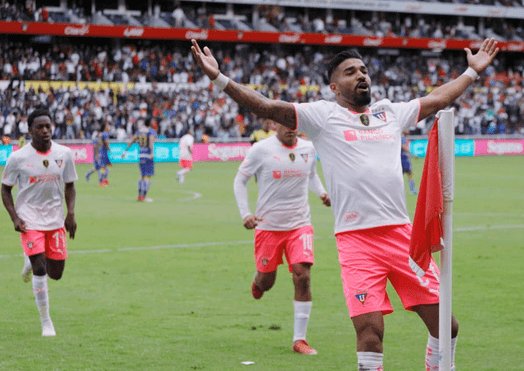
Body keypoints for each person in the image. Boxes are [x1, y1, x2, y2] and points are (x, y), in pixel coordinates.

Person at [192, 37, 499, 370]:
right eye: (351, 72)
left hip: (402, 237)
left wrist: (471, 72)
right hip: (357, 243)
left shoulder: (389, 113)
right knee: (370, 334)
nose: (361, 75)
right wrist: (219, 78)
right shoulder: (323, 116)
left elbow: (437, 98)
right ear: (335, 87)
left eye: (364, 70)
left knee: (447, 325)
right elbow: (266, 106)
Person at [233, 123, 331, 355]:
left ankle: (300, 340)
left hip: (300, 224)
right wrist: (245, 213)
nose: (291, 129)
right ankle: (258, 282)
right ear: (275, 124)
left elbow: (312, 176)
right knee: (267, 282)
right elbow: (240, 180)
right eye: (285, 124)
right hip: (268, 227)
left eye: (295, 125)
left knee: (303, 275)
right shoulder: (261, 149)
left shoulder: (308, 149)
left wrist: (322, 192)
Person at [0, 108, 78, 337]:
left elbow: (70, 185)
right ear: (30, 130)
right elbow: (5, 190)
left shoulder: (64, 153)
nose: (45, 131)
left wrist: (70, 213)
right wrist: (15, 218)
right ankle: (46, 322)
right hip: (29, 220)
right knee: (40, 268)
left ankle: (27, 262)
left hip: (55, 220)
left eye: (48, 126)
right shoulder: (18, 158)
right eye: (40, 127)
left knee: (56, 273)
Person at [121, 119, 156, 202]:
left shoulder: (139, 131)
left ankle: (139, 196)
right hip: (147, 155)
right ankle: (144, 196)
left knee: (142, 176)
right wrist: (152, 153)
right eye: (153, 121)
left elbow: (133, 140)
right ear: (150, 123)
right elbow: (151, 141)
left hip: (141, 155)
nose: (154, 122)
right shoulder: (151, 131)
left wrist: (126, 150)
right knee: (147, 176)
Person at [401, 129, 418, 195]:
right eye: (407, 129)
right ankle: (412, 189)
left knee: (402, 174)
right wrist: (412, 154)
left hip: (402, 158)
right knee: (409, 173)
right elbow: (404, 147)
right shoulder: (402, 137)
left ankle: (401, 190)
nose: (408, 131)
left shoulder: (401, 137)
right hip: (404, 158)